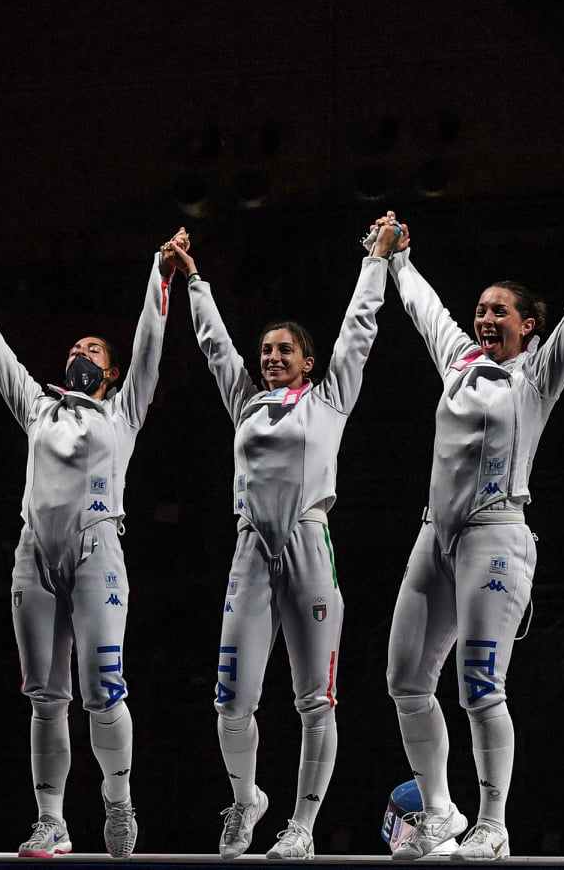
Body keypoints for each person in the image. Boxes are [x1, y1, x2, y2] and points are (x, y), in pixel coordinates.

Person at [384, 197, 564, 861]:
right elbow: (424, 308)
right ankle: (441, 814)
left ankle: (493, 824)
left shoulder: (536, 375)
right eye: (480, 309)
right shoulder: (456, 359)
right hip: (435, 538)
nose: (484, 319)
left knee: (480, 686)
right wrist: (398, 259)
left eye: (498, 312)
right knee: (405, 682)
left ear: (527, 325)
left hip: (496, 537)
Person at [163, 215, 400, 860]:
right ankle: (246, 799)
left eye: (283, 350)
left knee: (313, 701)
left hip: (307, 548)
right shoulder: (244, 401)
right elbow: (215, 347)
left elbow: (360, 329)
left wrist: (376, 259)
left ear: (308, 360)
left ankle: (302, 825)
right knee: (230, 704)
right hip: (249, 553)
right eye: (265, 350)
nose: (270, 358)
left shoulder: (329, 402)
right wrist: (194, 280)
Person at [0, 241, 172, 859]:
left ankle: (118, 803)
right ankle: (52, 821)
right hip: (34, 557)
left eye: (93, 350)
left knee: (104, 689)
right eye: (74, 348)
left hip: (98, 554)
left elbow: (149, 343)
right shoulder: (39, 410)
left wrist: (160, 273)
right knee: (46, 697)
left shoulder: (123, 414)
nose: (79, 353)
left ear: (113, 373)